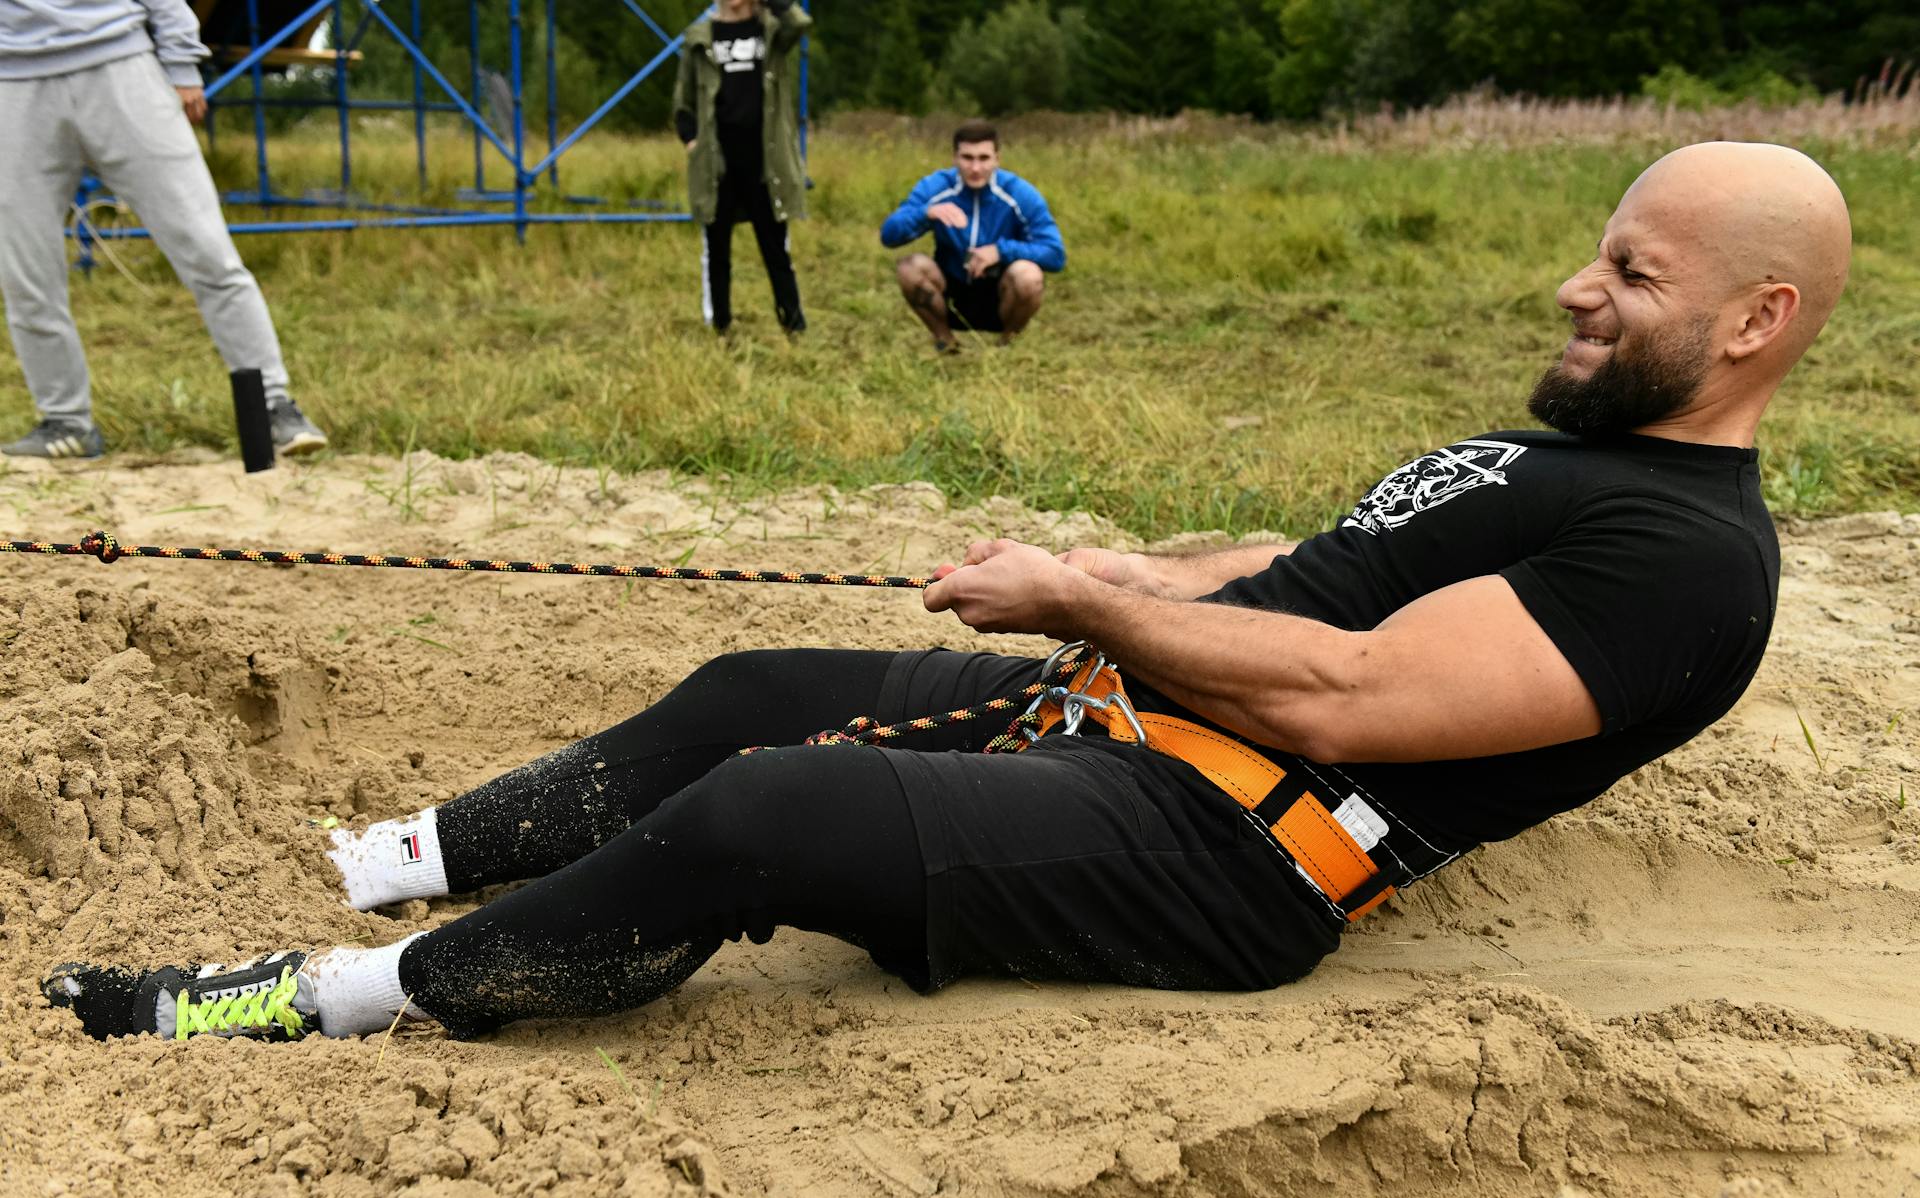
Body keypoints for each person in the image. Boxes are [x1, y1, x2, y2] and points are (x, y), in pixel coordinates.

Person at [45, 142, 1851, 1044]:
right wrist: (1142, 578)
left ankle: (328, 993)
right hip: (1145, 728)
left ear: (1757, 319)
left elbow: (1345, 698)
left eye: (1630, 267)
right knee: (755, 688)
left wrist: (1089, 601)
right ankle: (402, 854)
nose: (1574, 286)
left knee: (780, 801)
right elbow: (1327, 577)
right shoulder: (1577, 465)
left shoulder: (1693, 565)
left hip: (1224, 855)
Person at [0, 0, 325, 460]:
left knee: (206, 250)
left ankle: (272, 409)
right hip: (11, 83)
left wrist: (181, 61)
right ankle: (65, 423)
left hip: (121, 66)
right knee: (23, 270)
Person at [672, 0, 810, 338]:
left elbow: (799, 24)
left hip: (765, 159)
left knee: (775, 246)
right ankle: (720, 326)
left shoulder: (772, 32)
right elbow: (683, 101)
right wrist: (693, 143)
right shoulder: (699, 37)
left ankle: (793, 326)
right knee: (717, 248)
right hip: (717, 161)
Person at [881, 121, 1065, 351]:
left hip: (1001, 294)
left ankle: (1007, 345)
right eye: (967, 158)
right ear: (955, 158)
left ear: (997, 158)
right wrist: (925, 212)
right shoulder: (937, 187)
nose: (975, 168)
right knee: (910, 268)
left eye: (984, 158)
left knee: (1028, 275)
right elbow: (889, 236)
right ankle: (945, 341)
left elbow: (1055, 254)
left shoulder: (1019, 193)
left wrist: (1000, 251)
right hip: (952, 289)